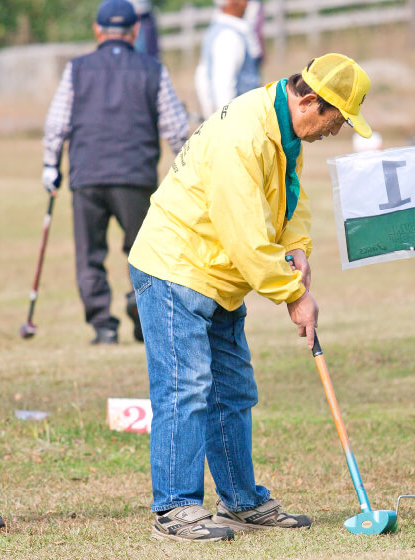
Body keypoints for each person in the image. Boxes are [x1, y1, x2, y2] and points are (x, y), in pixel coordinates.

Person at [128, 53, 372, 542]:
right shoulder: (244, 134)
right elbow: (244, 235)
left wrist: (297, 249)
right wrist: (292, 296)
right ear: (308, 101)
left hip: (219, 275)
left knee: (233, 390)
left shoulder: (284, 130)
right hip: (177, 267)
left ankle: (241, 502)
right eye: (337, 120)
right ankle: (175, 509)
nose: (337, 131)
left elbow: (292, 196)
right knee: (186, 387)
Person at [42, 0, 189, 345]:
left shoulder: (77, 69)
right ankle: (140, 309)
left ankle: (103, 326)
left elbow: (56, 123)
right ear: (135, 30)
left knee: (89, 254)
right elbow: (178, 130)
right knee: (144, 252)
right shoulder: (153, 69)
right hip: (135, 177)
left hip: (86, 177)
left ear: (97, 30)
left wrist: (50, 165)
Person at [194, 0, 261, 119]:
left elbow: (202, 78)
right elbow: (224, 89)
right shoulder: (229, 37)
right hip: (239, 120)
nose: (247, 3)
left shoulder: (220, 30)